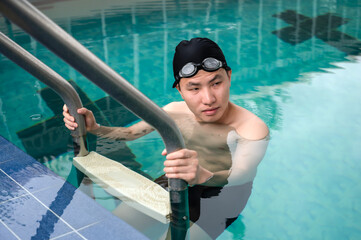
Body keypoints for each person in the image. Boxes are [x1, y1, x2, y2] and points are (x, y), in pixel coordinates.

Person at [63, 37, 269, 239]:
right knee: (111, 230)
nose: (208, 99)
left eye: (216, 83)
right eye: (195, 88)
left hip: (223, 195)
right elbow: (131, 134)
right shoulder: (173, 112)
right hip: (178, 182)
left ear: (229, 77)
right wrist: (96, 128)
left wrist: (202, 175)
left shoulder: (252, 128)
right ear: (179, 89)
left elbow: (241, 174)